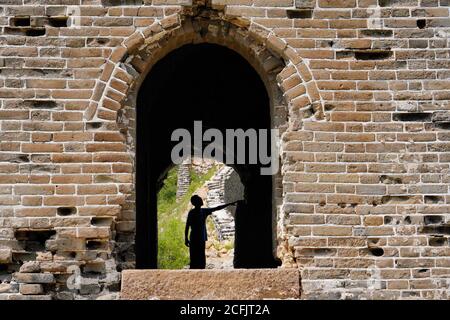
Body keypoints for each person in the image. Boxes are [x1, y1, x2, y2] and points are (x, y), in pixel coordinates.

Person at [185, 195, 240, 269]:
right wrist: (186, 238)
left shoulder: (196, 212)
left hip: (197, 238)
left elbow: (217, 208)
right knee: (198, 257)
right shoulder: (201, 212)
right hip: (198, 238)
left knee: (197, 257)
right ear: (196, 202)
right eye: (199, 199)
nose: (201, 200)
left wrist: (229, 204)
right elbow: (187, 225)